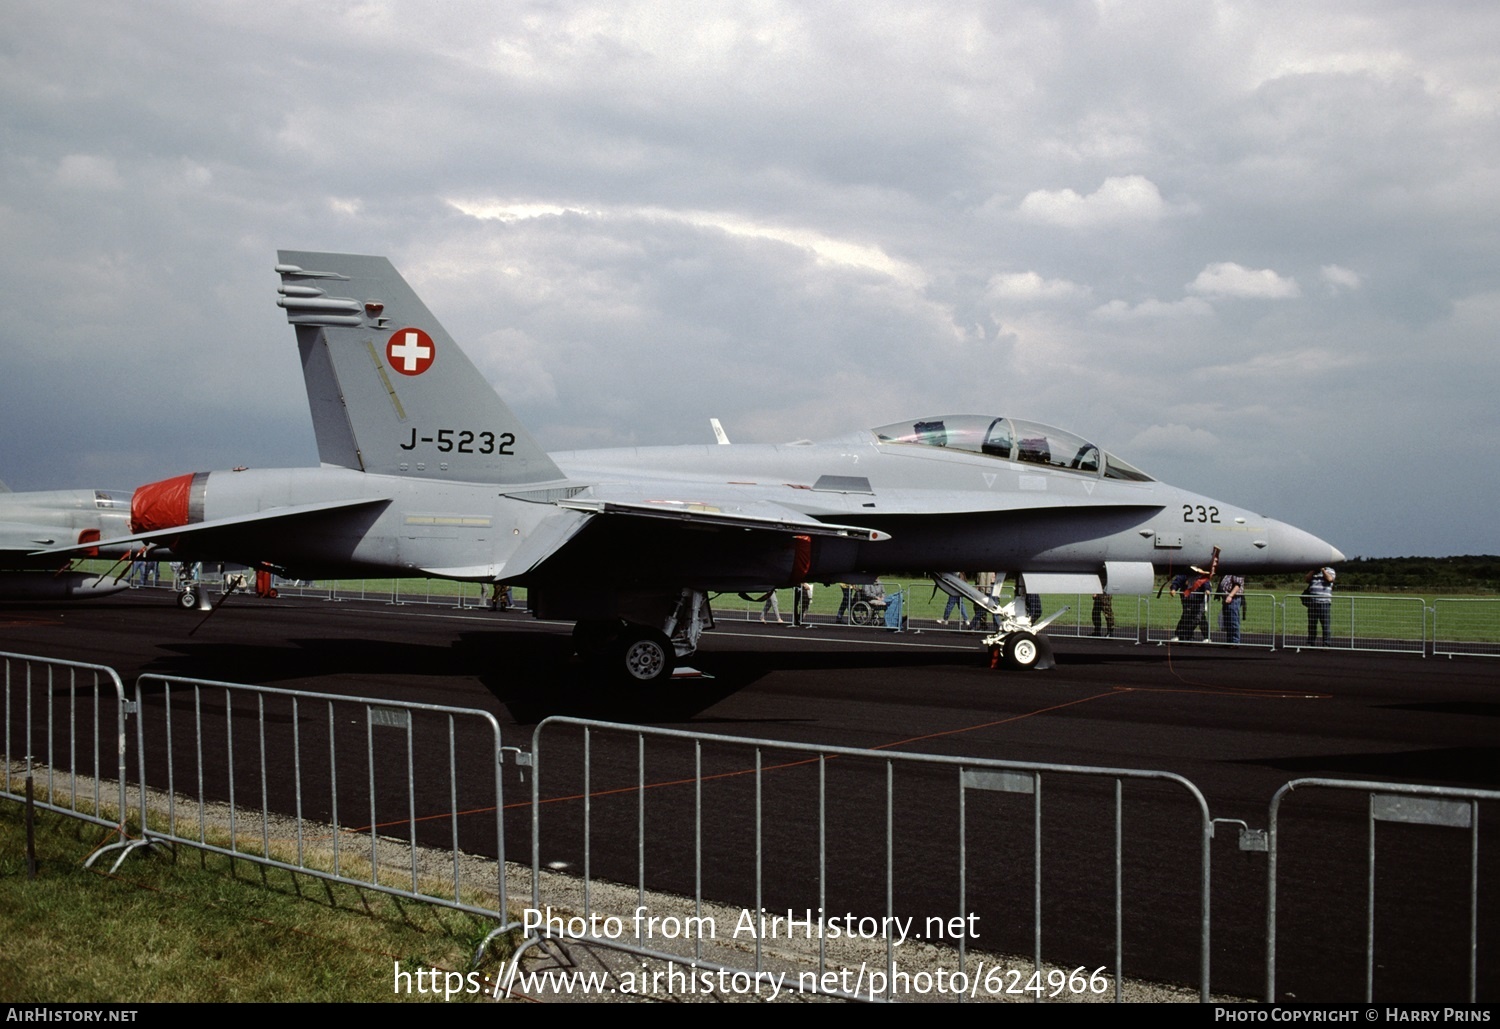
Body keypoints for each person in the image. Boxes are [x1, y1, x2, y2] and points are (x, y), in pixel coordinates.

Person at [1304, 566, 1335, 646]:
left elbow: (1329, 579)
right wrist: (1313, 570)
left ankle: (1326, 644)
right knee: (1312, 624)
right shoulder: (1313, 571)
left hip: (1324, 602)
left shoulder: (1330, 570)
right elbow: (1307, 579)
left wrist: (1323, 570)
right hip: (1312, 602)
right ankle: (1310, 643)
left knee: (1325, 625)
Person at [1218, 571, 1245, 644]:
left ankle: (1235, 641)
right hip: (1226, 599)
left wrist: (1230, 595)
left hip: (1233, 599)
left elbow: (1237, 585)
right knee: (1228, 622)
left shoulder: (1237, 571)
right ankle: (1230, 641)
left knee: (1233, 621)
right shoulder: (1227, 572)